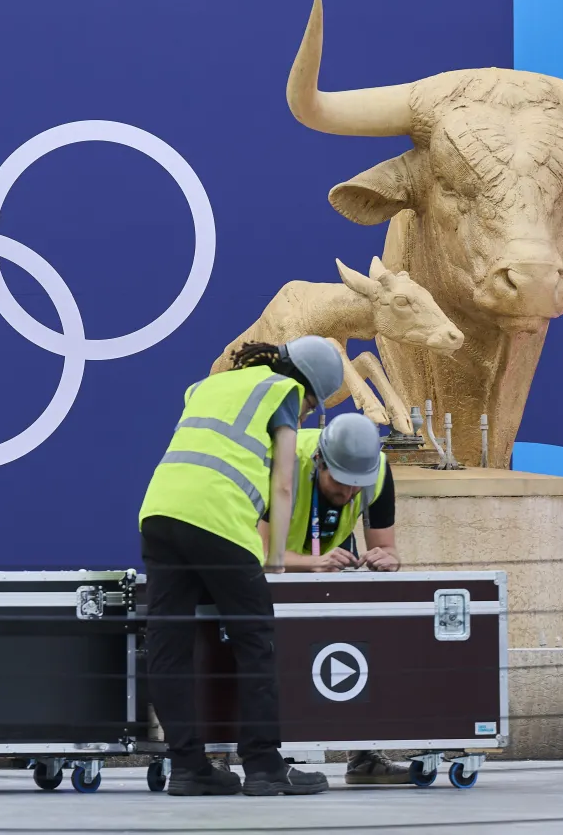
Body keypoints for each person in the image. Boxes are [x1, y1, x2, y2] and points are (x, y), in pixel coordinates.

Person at [138, 335, 346, 797]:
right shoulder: (284, 393)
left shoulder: (208, 386)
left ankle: (188, 767)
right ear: (309, 388)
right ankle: (264, 766)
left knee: (168, 647)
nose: (307, 412)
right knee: (255, 642)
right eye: (313, 406)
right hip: (219, 522)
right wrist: (275, 559)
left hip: (159, 514)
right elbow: (286, 481)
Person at [257, 411, 411, 785]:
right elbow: (256, 555)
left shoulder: (376, 471)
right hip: (273, 563)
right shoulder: (284, 461)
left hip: (325, 558)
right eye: (339, 484)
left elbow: (386, 547)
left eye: (356, 487)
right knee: (257, 653)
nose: (347, 495)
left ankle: (363, 757)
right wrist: (310, 564)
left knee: (358, 644)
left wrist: (387, 559)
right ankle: (229, 752)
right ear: (319, 462)